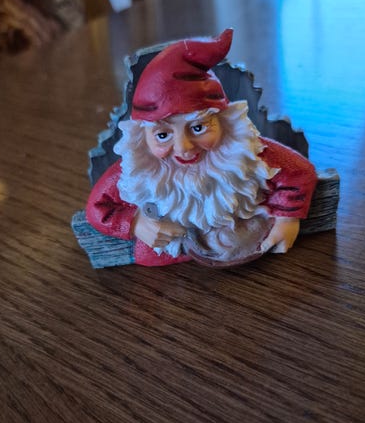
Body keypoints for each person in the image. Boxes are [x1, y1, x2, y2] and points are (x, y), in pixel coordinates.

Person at [86, 29, 317, 267]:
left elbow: (299, 171)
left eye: (198, 128)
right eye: (163, 135)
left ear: (223, 122)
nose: (183, 148)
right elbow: (97, 208)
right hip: (166, 270)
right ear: (141, 136)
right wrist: (135, 223)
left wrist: (286, 220)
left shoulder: (243, 154)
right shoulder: (138, 171)